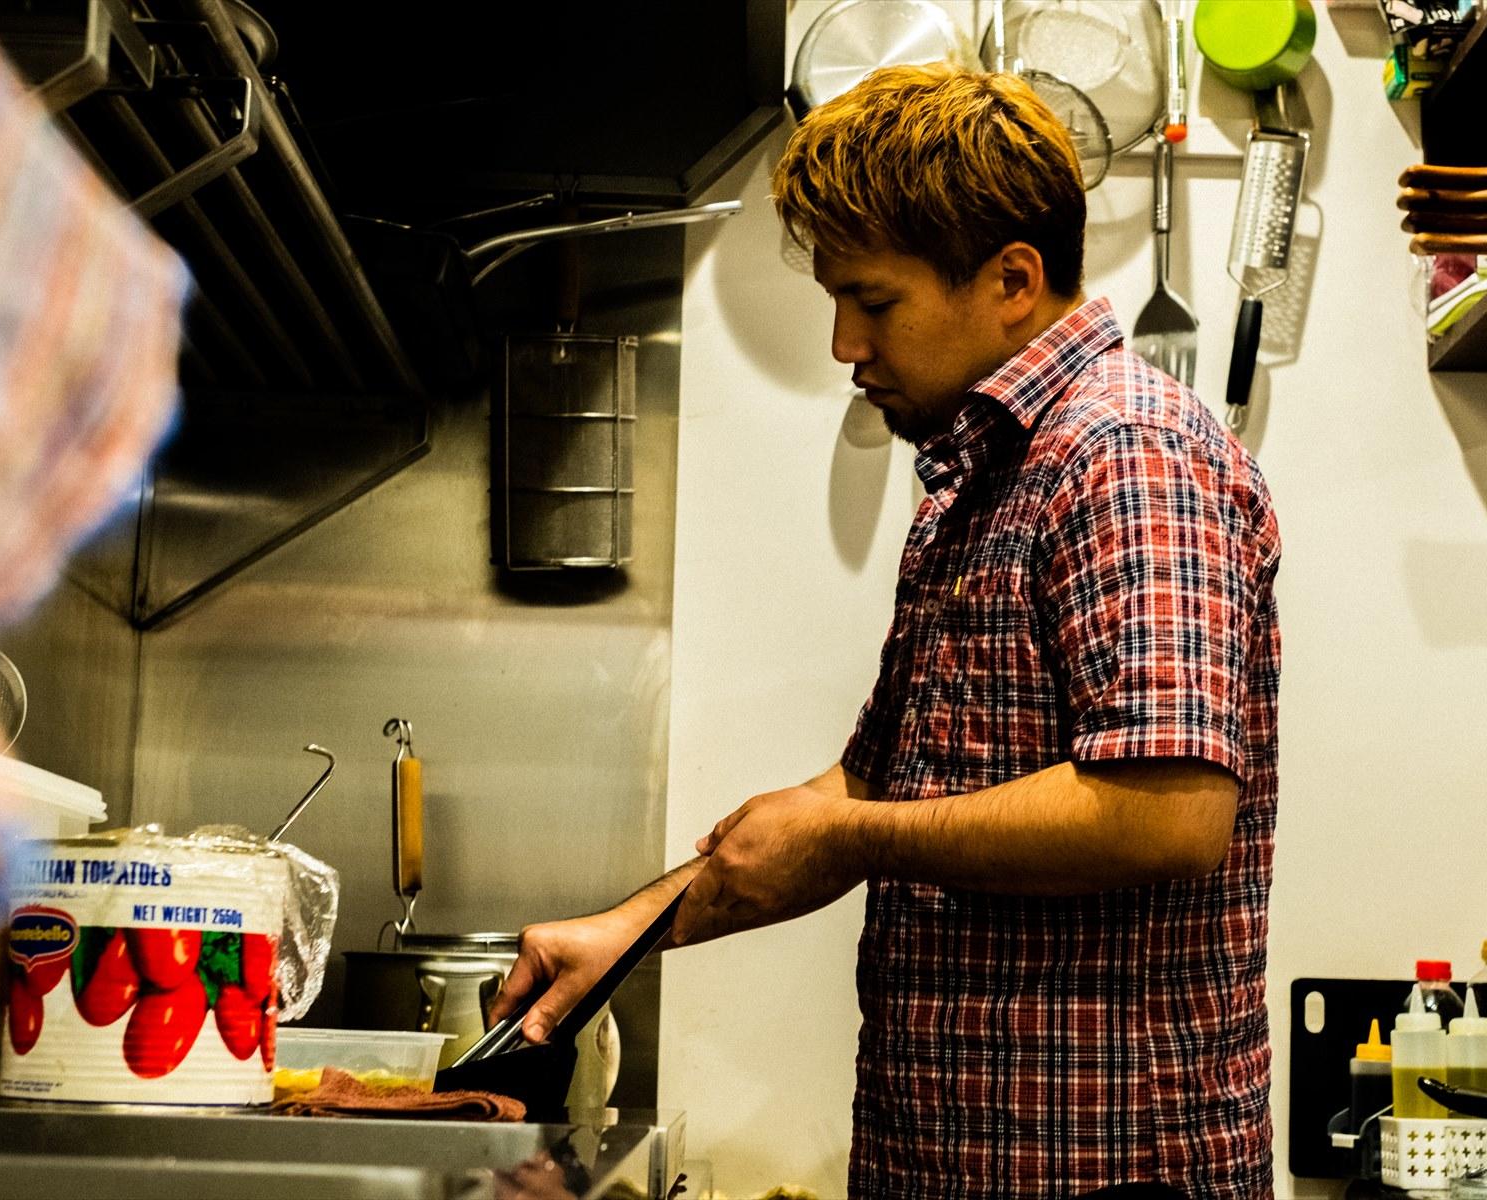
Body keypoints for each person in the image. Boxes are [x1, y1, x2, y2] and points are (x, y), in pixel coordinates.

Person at [492, 63, 1281, 1198]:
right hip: (954, 1163)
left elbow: (1168, 813)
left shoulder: (1125, 452)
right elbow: (868, 789)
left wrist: (856, 838)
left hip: (1103, 1172)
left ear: (1013, 280)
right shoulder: (975, 481)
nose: (842, 345)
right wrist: (632, 932)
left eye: (873, 302)